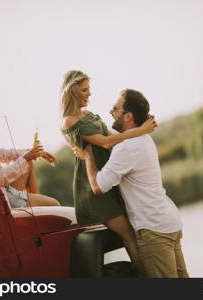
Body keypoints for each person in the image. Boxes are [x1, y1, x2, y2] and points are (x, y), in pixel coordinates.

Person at [73, 89, 189, 278]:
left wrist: (87, 158)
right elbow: (110, 139)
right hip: (168, 221)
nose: (110, 110)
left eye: (115, 108)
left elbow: (98, 186)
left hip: (154, 230)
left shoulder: (127, 148)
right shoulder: (143, 138)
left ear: (128, 116)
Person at [60, 71, 156, 275]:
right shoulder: (68, 122)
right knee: (128, 235)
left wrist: (137, 133)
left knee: (131, 233)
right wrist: (142, 130)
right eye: (85, 90)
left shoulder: (88, 115)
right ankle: (148, 279)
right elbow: (105, 142)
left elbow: (113, 135)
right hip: (95, 186)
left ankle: (146, 276)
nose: (89, 94)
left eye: (88, 89)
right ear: (73, 90)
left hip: (108, 177)